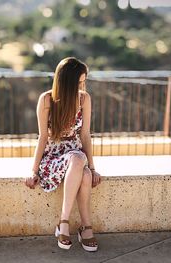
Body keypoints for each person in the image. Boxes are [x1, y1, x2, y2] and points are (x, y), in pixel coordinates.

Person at [25, 57, 102, 252]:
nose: (82, 85)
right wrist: (34, 171)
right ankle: (70, 222)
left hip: (76, 154)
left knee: (82, 167)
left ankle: (73, 224)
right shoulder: (46, 100)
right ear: (66, 82)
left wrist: (93, 168)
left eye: (83, 81)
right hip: (53, 158)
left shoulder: (84, 99)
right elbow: (42, 137)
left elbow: (85, 135)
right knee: (79, 164)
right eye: (78, 82)